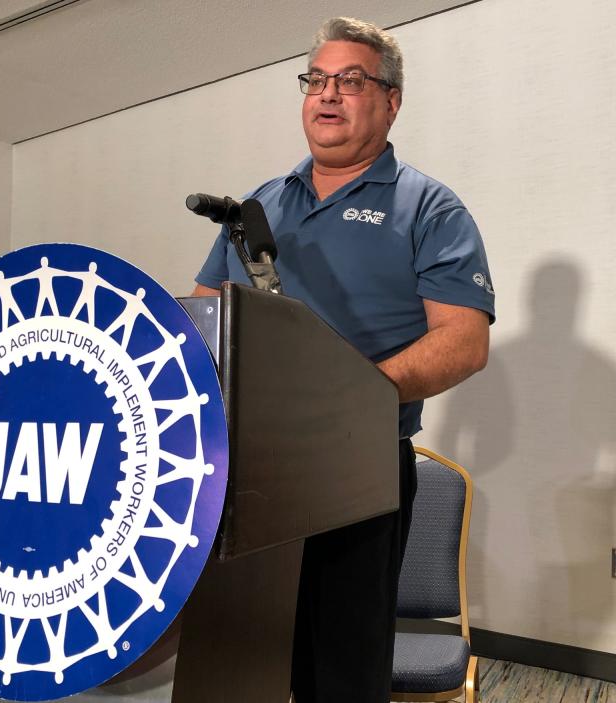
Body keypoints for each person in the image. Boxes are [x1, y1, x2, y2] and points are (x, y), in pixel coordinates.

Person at [191, 17, 495, 703]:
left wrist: (356, 391)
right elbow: (203, 317)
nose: (328, 95)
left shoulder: (429, 207)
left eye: (351, 81)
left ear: (390, 101)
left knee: (340, 676)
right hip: (245, 471)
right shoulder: (259, 206)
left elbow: (464, 340)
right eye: (317, 80)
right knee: (241, 661)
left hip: (356, 472)